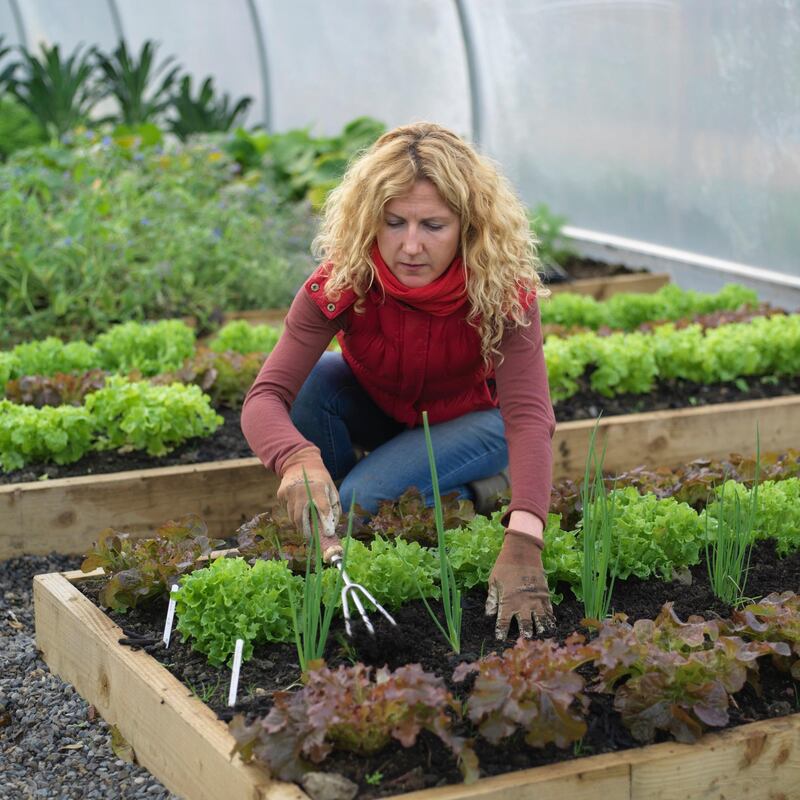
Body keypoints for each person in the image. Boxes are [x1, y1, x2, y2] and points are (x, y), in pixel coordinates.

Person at [241, 122, 556, 639]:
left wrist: (525, 536)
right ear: (371, 221)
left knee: (363, 499)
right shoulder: (342, 283)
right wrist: (296, 460)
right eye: (394, 222)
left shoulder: (501, 291)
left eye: (433, 225)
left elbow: (528, 416)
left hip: (478, 424)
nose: (410, 246)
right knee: (317, 384)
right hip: (388, 413)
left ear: (468, 228)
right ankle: (337, 521)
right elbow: (265, 398)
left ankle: (472, 490)